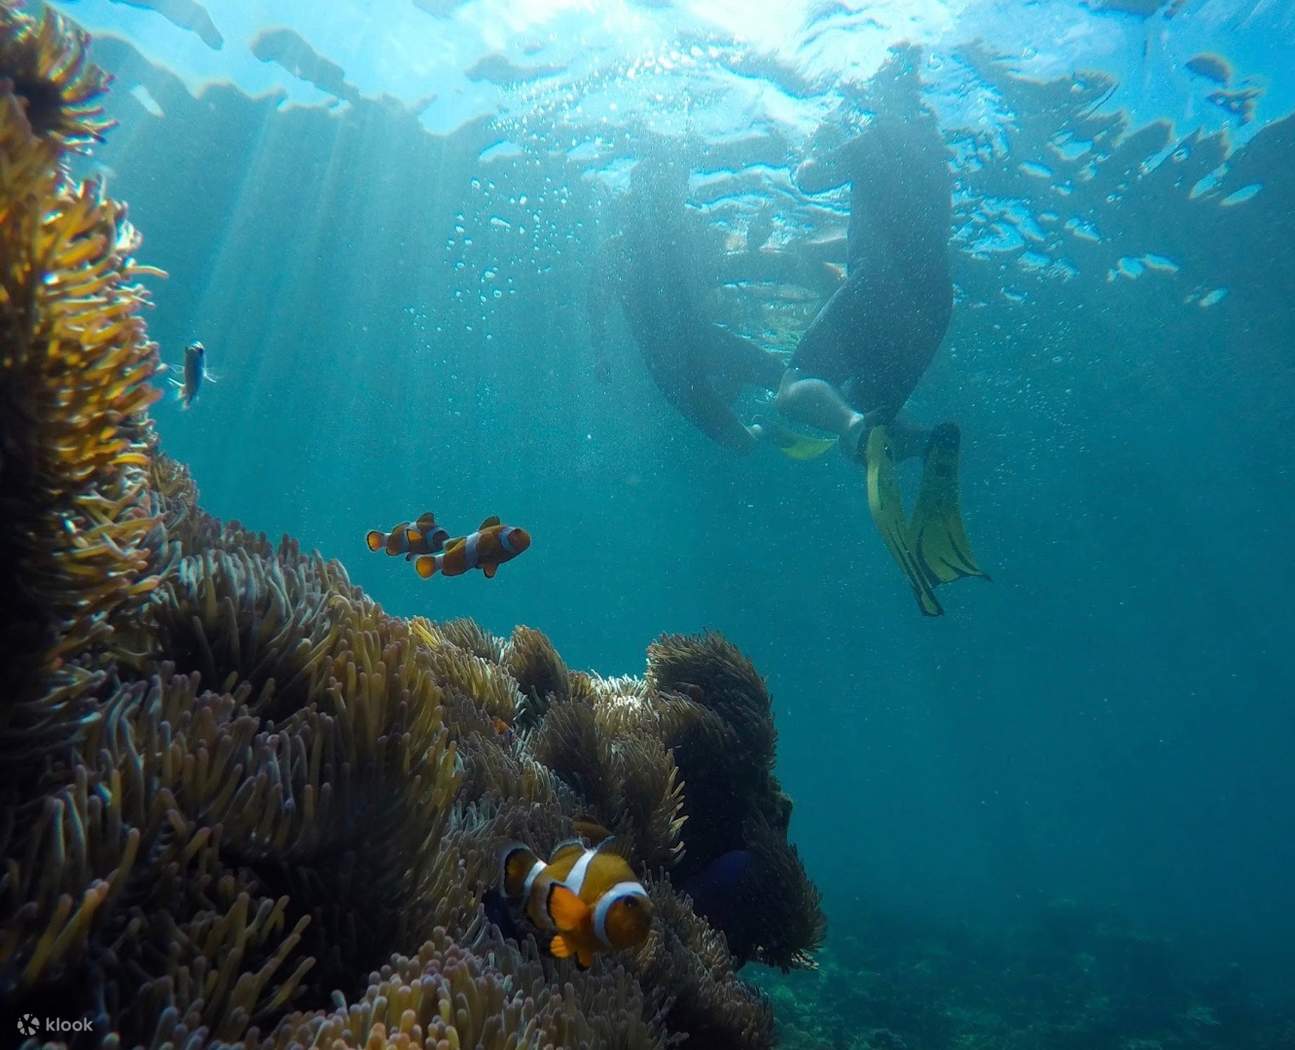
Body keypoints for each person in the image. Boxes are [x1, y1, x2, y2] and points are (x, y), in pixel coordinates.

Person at [774, 45, 987, 614]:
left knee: (794, 388)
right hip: (935, 301)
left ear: (879, 97)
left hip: (880, 284)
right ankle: (925, 440)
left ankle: (849, 425)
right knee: (879, 427)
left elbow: (809, 179)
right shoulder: (934, 153)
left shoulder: (872, 139)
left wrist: (815, 144)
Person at [587, 154, 787, 453]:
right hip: (667, 367)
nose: (672, 201)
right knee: (742, 442)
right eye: (664, 192)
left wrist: (755, 238)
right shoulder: (614, 252)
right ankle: (762, 427)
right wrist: (599, 353)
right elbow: (595, 307)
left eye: (675, 193)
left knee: (785, 378)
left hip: (704, 340)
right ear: (639, 194)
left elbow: (730, 266)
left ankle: (732, 385)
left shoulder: (690, 232)